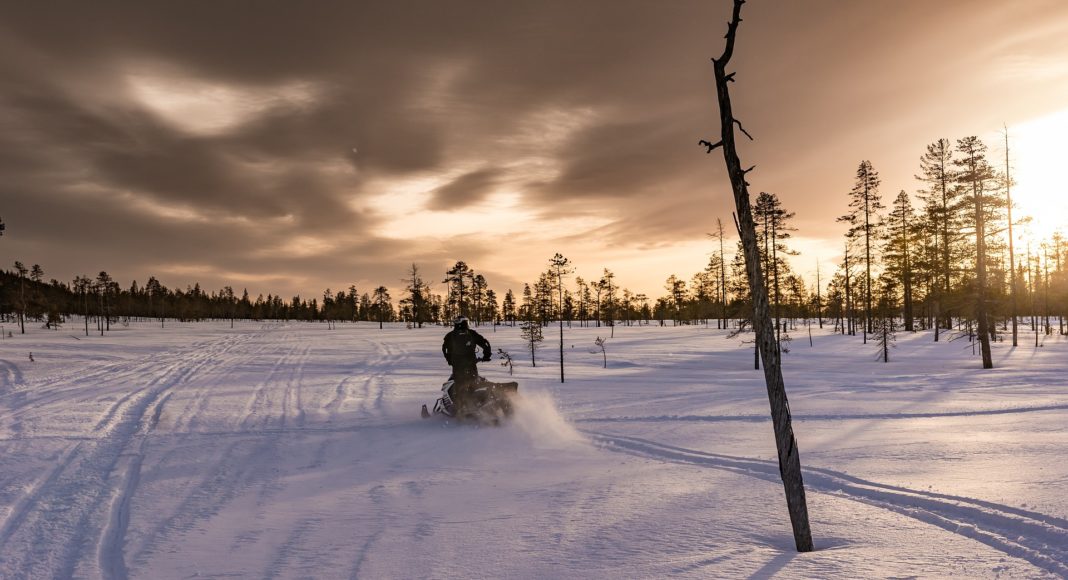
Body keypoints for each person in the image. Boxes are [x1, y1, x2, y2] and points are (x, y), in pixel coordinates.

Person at [441, 316, 491, 410]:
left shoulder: (450, 335)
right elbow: (485, 343)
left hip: (457, 365)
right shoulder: (471, 333)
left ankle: (461, 407)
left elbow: (445, 349)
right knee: (473, 382)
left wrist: (450, 360)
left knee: (459, 384)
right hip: (471, 364)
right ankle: (472, 404)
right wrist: (486, 355)